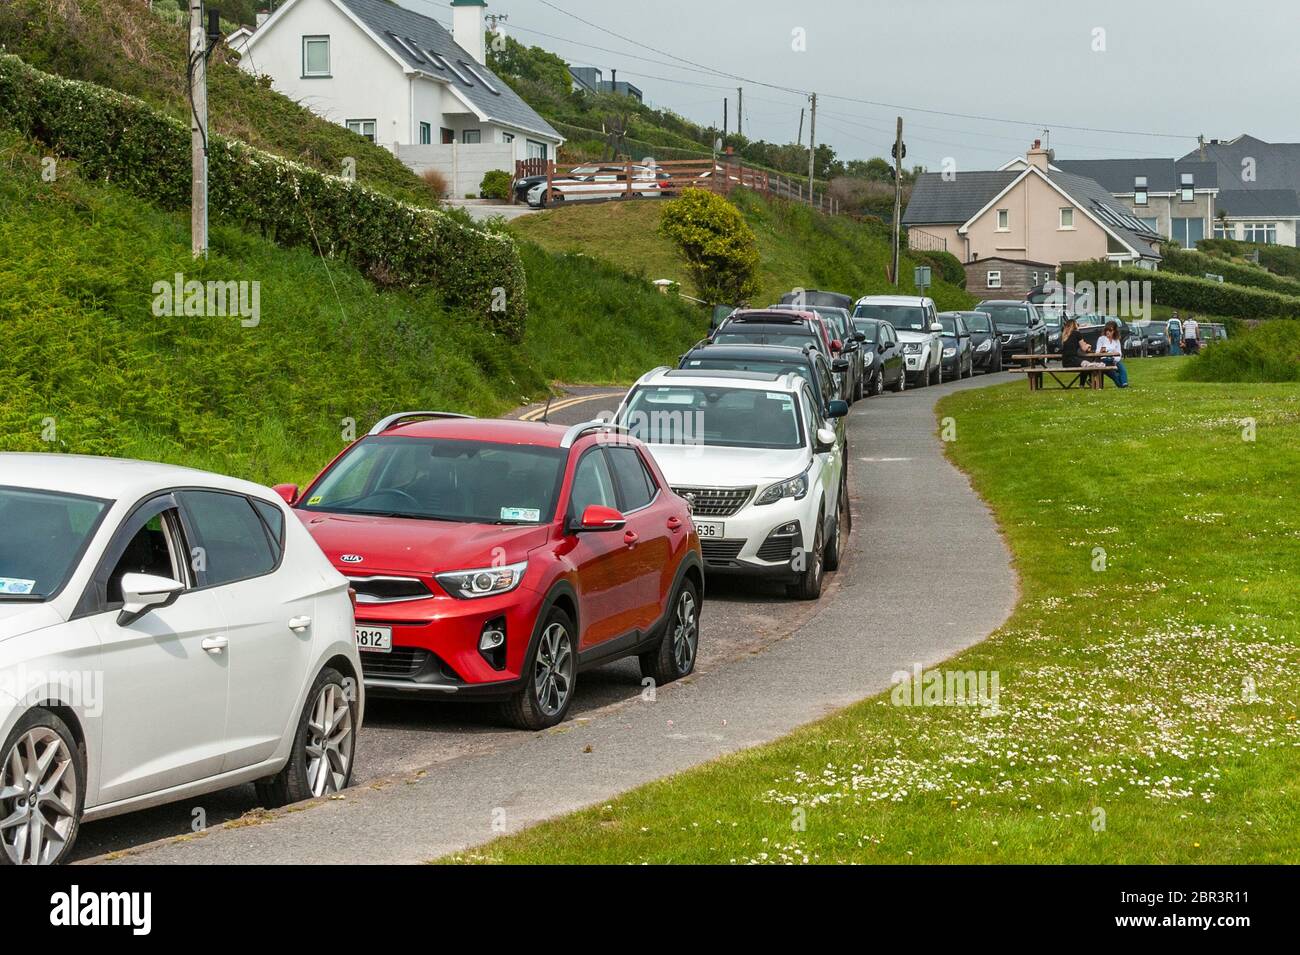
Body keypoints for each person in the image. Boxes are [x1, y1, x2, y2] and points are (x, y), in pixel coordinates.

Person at [1060, 317, 1104, 386]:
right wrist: (1089, 346)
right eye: (1077, 324)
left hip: (1065, 362)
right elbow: (1084, 348)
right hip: (1073, 360)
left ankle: (1084, 384)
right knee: (1088, 364)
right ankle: (1089, 382)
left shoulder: (1064, 335)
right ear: (1075, 325)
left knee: (1086, 362)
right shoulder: (1077, 333)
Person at [1095, 320, 1130, 388]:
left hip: (1114, 360)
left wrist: (1114, 360)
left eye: (1110, 330)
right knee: (1114, 375)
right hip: (1104, 360)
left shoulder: (1116, 340)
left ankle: (1125, 383)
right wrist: (1101, 352)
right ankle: (1122, 385)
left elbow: (1119, 353)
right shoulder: (1101, 339)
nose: (1108, 332)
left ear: (1114, 331)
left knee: (1122, 369)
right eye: (1106, 330)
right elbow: (1097, 352)